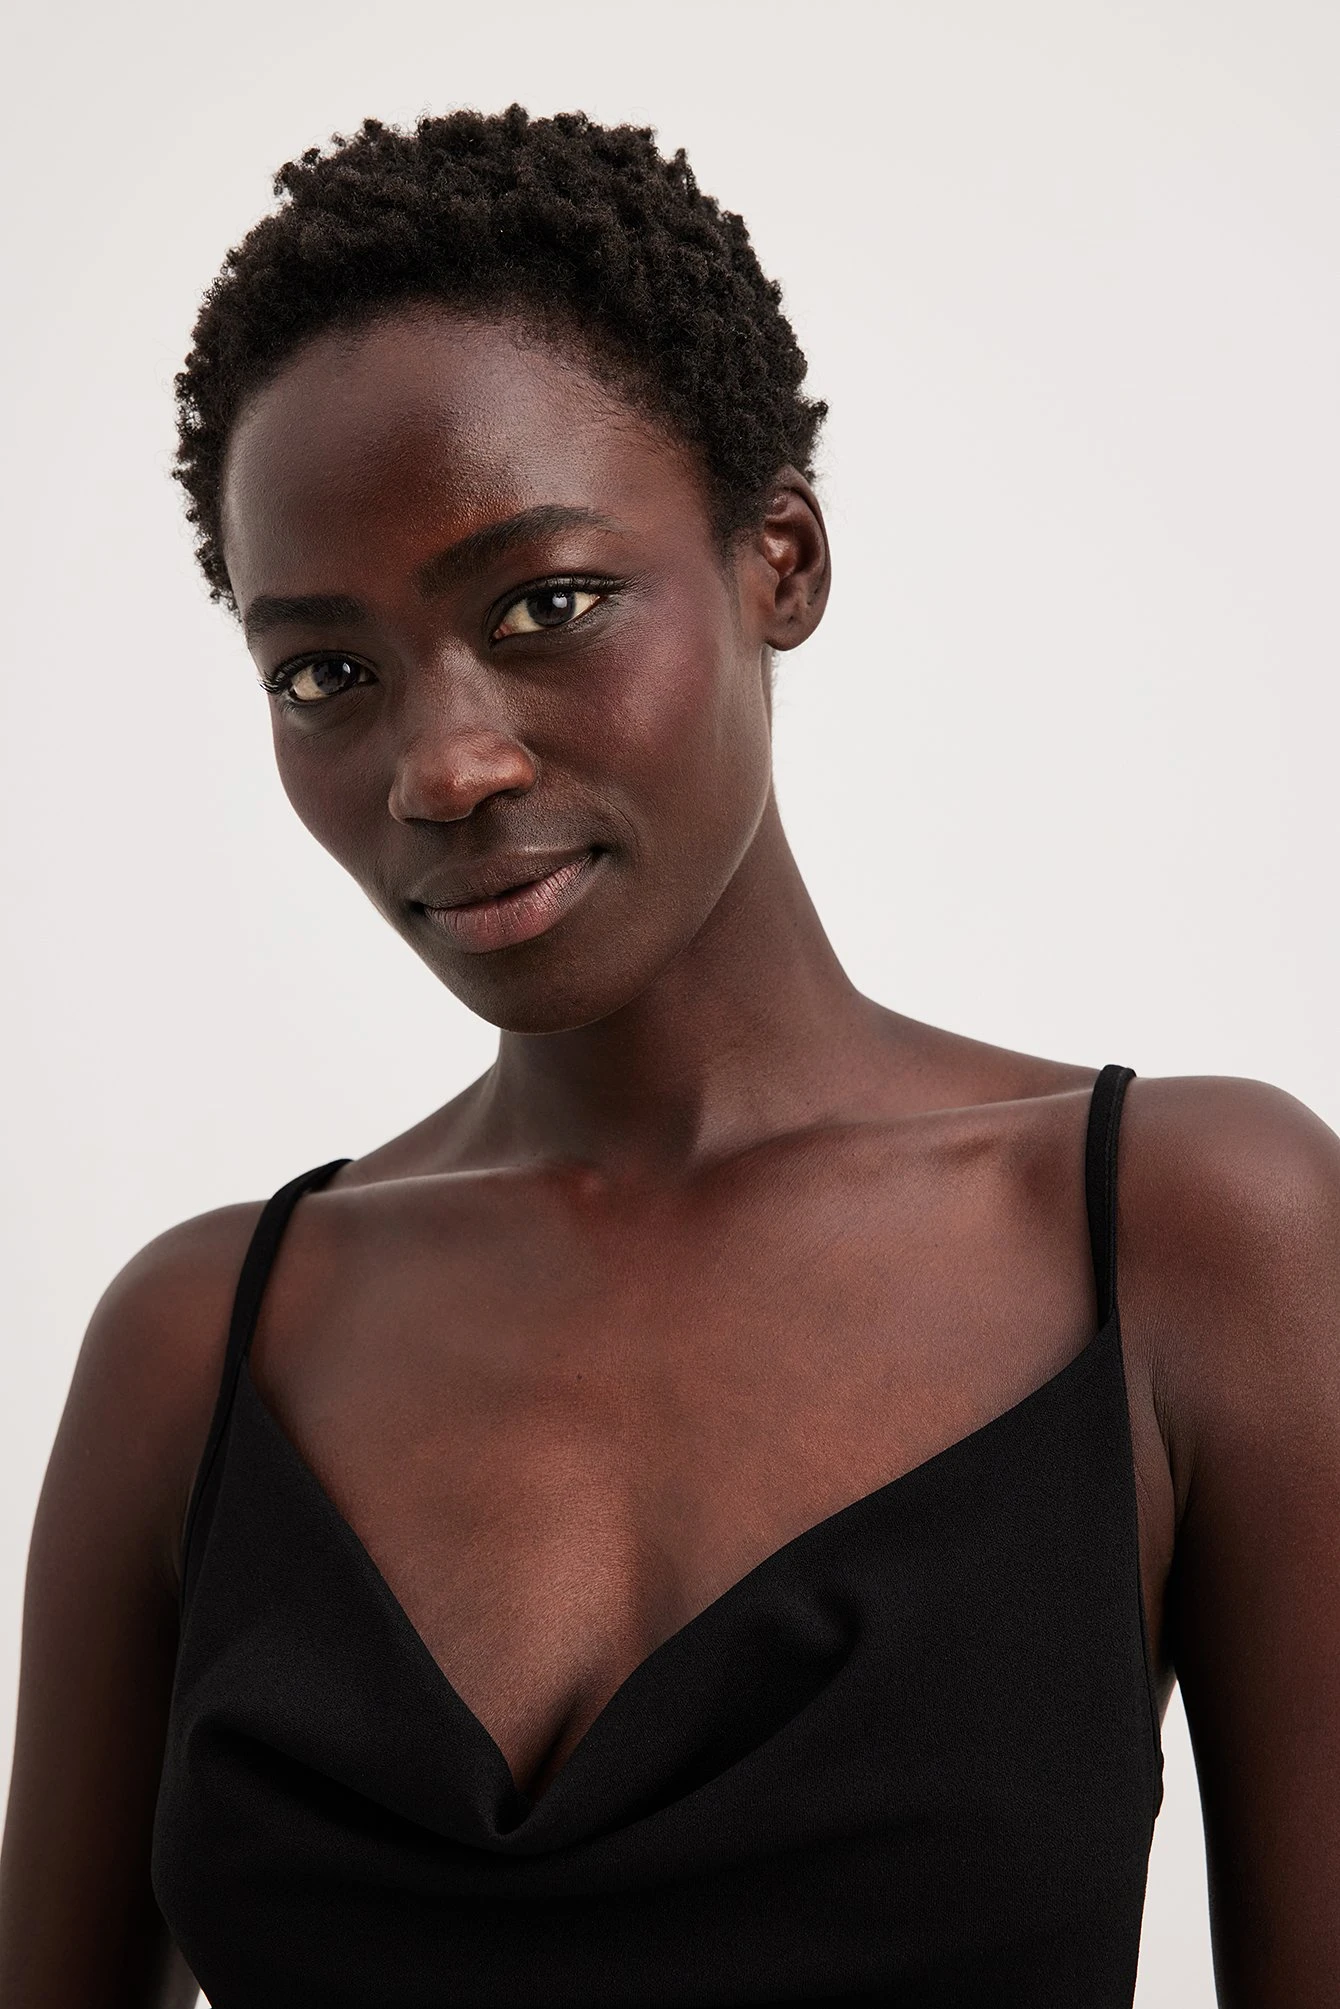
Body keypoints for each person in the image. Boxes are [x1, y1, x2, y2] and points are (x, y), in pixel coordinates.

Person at [1, 104, 1337, 2009]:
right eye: (325, 674)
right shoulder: (198, 1348)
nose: (442, 765)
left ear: (779, 560)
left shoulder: (1195, 1239)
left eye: (544, 605)